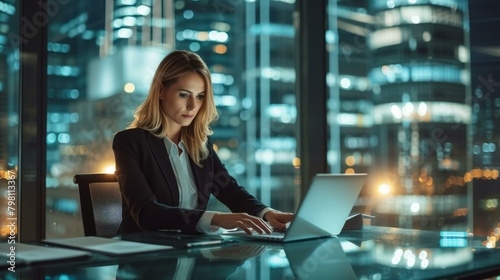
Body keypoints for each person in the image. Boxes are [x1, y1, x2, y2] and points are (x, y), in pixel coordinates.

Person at [113, 50, 294, 235]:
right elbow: (147, 214)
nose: (193, 106)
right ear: (160, 91)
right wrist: (216, 218)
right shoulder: (129, 143)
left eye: (200, 96)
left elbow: (229, 189)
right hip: (144, 254)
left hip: (190, 253)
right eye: (184, 95)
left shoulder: (201, 144)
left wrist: (266, 213)